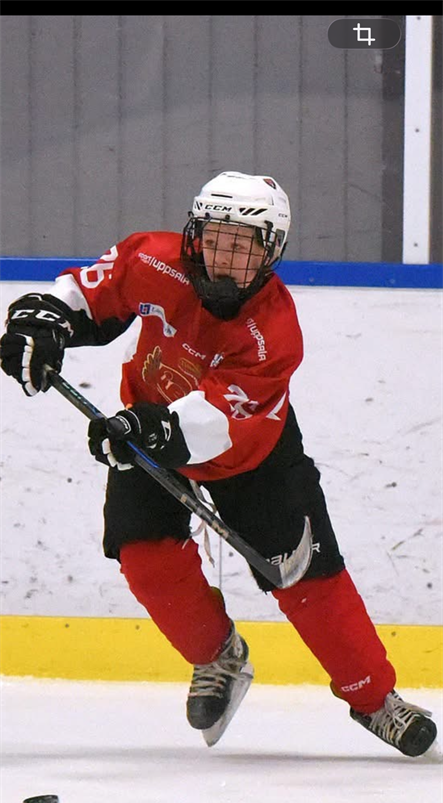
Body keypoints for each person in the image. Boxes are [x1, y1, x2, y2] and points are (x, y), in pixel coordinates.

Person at [0, 170, 437, 755]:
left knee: (305, 577)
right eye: (215, 239)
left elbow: (217, 422)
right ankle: (218, 656)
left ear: (270, 253)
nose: (225, 258)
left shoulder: (272, 331)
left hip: (251, 455)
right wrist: (42, 321)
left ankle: (376, 698)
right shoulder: (153, 259)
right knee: (144, 558)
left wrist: (145, 428)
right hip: (146, 426)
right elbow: (89, 293)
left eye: (244, 246)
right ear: (194, 236)